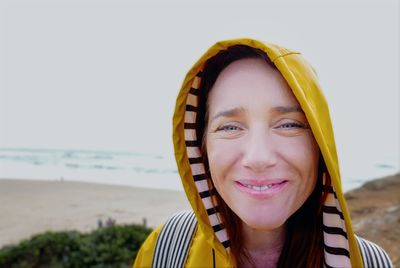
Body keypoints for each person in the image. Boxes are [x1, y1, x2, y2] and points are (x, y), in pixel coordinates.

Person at [133, 38, 392, 267]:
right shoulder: (166, 249)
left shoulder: (371, 263)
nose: (258, 158)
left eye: (289, 124)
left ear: (319, 144)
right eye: (230, 127)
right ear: (201, 148)